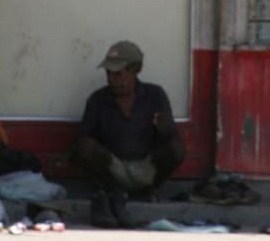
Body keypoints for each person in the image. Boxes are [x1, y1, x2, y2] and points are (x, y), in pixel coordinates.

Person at [71, 40, 186, 229]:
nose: (111, 79)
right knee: (84, 147)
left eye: (118, 74)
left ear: (135, 70)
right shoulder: (97, 99)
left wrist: (166, 130)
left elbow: (171, 140)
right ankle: (113, 191)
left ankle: (152, 189)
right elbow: (81, 141)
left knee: (177, 148)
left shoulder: (155, 95)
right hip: (113, 167)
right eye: (108, 74)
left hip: (146, 166)